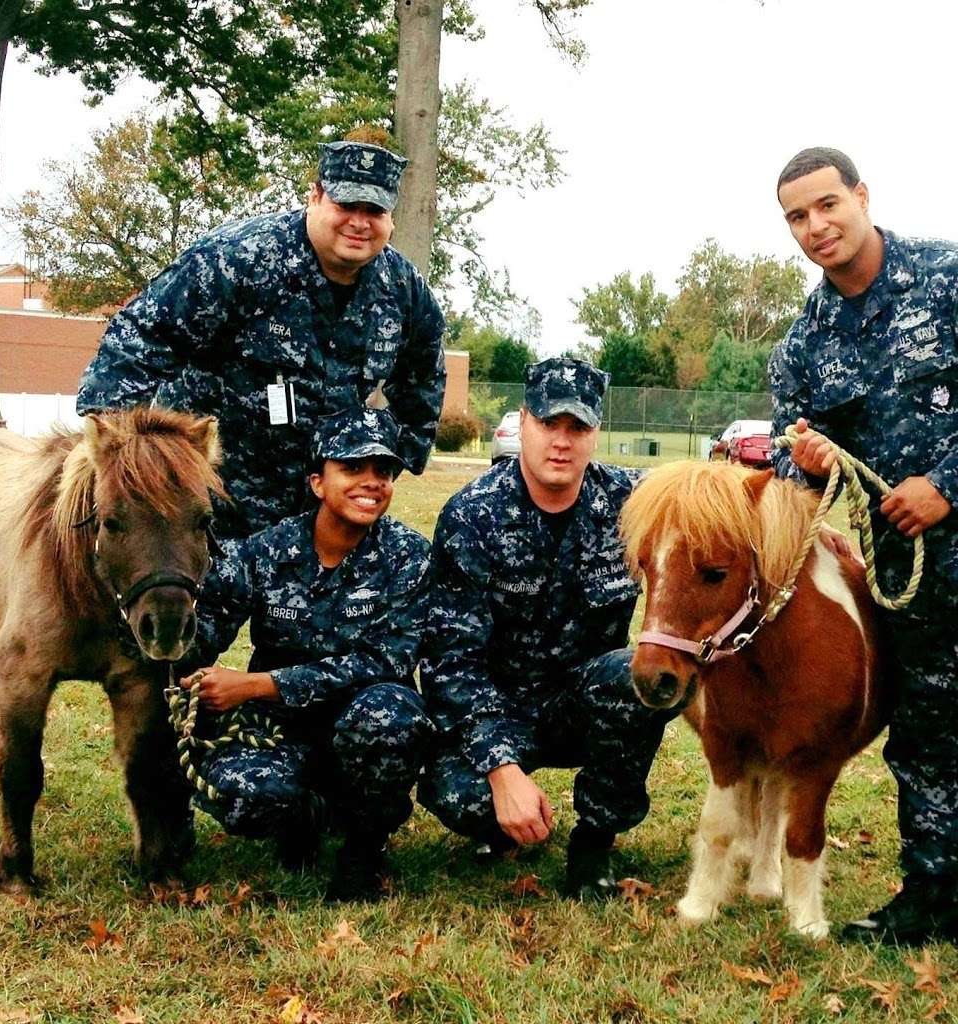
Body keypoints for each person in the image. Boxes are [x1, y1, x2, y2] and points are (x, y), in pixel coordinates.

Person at [770, 147, 958, 943]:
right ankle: (935, 897)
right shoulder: (805, 343)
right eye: (797, 218)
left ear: (861, 196)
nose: (816, 228)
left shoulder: (947, 279)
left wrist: (947, 483)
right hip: (909, 570)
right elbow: (796, 462)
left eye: (826, 206)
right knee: (930, 730)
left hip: (943, 515)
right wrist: (808, 461)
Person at [78, 139, 446, 539]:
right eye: (345, 206)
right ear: (316, 197)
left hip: (318, 524)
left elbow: (423, 378)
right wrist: (116, 453)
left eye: (374, 210)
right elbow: (138, 337)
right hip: (211, 515)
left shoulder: (403, 290)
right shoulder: (237, 260)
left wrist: (383, 460)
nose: (359, 222)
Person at [418, 357, 678, 897]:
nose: (562, 442)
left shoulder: (634, 504)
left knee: (642, 677)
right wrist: (502, 771)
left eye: (577, 427)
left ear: (595, 433)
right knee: (458, 797)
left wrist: (807, 509)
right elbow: (450, 663)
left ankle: (594, 840)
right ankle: (501, 825)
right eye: (548, 423)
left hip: (581, 703)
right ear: (523, 422)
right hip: (497, 705)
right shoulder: (473, 516)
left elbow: (726, 498)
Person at [178, 406, 434, 901]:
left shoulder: (409, 555)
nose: (371, 482)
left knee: (392, 714)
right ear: (318, 482)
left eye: (383, 471)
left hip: (365, 726)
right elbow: (202, 631)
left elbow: (389, 660)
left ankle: (364, 847)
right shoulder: (264, 551)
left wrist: (255, 685)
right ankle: (304, 816)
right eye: (353, 468)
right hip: (280, 729)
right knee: (245, 797)